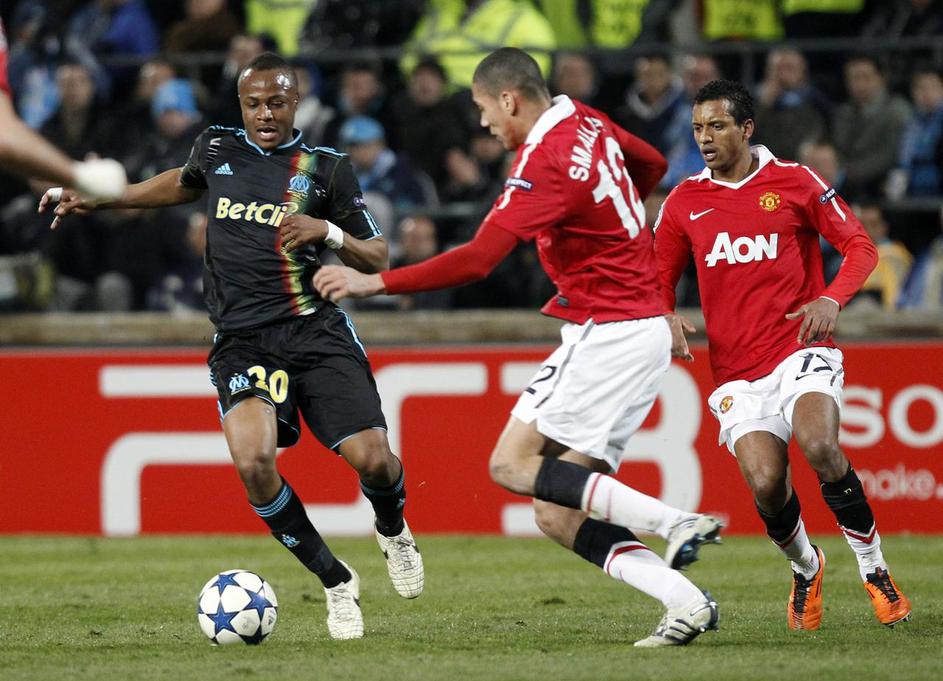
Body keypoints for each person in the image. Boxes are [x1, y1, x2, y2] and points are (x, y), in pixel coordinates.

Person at [314, 47, 723, 648]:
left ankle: (676, 521)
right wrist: (606, 227)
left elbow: (479, 259)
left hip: (608, 330)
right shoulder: (585, 118)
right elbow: (653, 163)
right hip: (638, 329)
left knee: (509, 465)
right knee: (555, 510)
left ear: (508, 99)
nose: (484, 123)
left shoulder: (543, 160)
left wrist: (375, 283)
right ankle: (686, 601)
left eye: (484, 109)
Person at [39, 52, 423, 641]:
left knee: (373, 460)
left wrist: (329, 231)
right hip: (243, 341)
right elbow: (180, 183)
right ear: (240, 105)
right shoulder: (216, 147)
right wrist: (103, 199)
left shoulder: (326, 168)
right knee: (254, 464)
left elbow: (377, 256)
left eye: (276, 103)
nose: (264, 114)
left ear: (295, 105)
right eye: (253, 104)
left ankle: (392, 529)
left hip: (314, 331)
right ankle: (335, 581)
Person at [653, 79, 912, 631]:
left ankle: (874, 568)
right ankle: (806, 566)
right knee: (767, 483)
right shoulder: (684, 202)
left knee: (820, 445)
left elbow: (860, 246)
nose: (705, 138)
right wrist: (665, 314)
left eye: (717, 126)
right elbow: (655, 277)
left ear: (746, 128)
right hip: (736, 370)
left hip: (800, 348)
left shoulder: (794, 181)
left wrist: (831, 298)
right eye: (697, 128)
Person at [0, 19, 126, 200]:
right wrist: (82, 177)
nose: (73, 89)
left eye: (79, 82)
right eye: (67, 83)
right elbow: (3, 135)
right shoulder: (48, 127)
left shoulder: (110, 125)